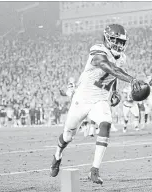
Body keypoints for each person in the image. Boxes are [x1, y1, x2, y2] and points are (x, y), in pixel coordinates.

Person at [50, 24, 144, 185]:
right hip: (81, 99)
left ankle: (94, 170)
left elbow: (113, 75)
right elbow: (107, 66)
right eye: (116, 41)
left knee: (106, 123)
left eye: (122, 42)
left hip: (100, 100)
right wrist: (131, 79)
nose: (120, 45)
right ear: (107, 39)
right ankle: (57, 155)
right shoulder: (98, 50)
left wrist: (114, 91)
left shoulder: (122, 58)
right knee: (68, 136)